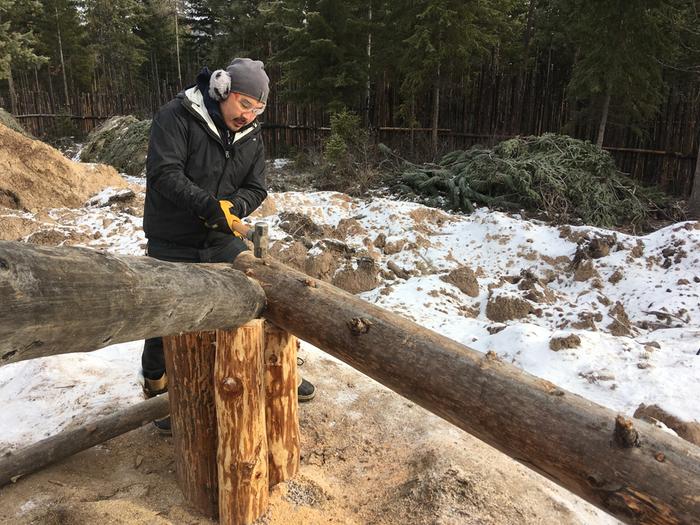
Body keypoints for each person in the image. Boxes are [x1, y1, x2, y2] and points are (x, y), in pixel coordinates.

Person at [141, 58, 316, 433]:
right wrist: (208, 207)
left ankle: (277, 368)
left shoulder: (250, 136)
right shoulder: (177, 116)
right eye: (243, 104)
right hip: (173, 236)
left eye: (258, 109)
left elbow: (257, 187)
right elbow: (163, 173)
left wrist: (232, 209)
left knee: (263, 293)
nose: (249, 115)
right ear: (221, 90)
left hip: (222, 237)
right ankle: (158, 388)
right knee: (164, 316)